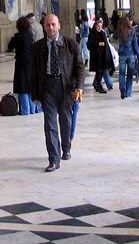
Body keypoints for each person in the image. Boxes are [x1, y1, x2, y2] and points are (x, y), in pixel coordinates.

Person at [31, 14, 85, 172]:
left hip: (66, 87)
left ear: (59, 26)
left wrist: (79, 86)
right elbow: (33, 71)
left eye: (53, 25)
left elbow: (79, 67)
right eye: (48, 25)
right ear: (44, 27)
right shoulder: (38, 47)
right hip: (47, 86)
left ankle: (66, 148)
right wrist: (35, 94)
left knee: (65, 121)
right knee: (50, 124)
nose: (51, 28)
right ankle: (53, 159)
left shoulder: (70, 44)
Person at [8, 16, 37, 115]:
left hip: (21, 63)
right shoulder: (30, 35)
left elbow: (9, 46)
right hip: (30, 62)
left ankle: (25, 110)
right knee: (30, 85)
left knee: (22, 85)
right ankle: (33, 108)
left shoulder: (18, 36)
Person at [116, 16, 139, 99]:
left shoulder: (120, 31)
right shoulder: (132, 31)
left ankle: (122, 88)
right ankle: (128, 92)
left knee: (122, 73)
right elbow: (135, 45)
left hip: (122, 54)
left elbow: (114, 36)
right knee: (130, 74)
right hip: (131, 54)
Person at [89, 18, 114, 93]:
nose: (99, 28)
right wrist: (98, 44)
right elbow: (89, 45)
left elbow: (106, 45)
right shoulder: (92, 34)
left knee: (101, 71)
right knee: (99, 71)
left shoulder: (102, 33)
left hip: (103, 56)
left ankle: (97, 85)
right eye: (98, 26)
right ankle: (99, 86)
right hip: (96, 56)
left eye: (101, 26)